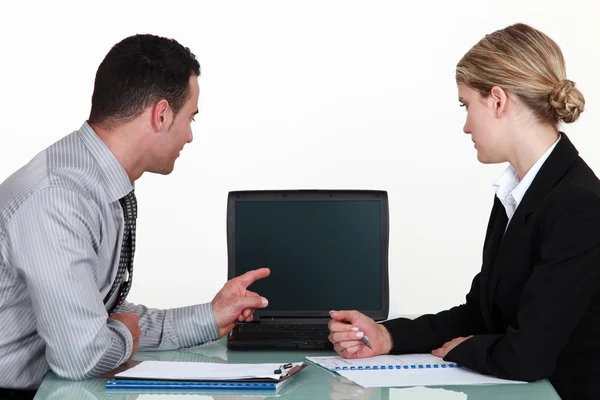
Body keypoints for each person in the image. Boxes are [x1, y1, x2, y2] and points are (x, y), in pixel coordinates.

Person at [328, 23, 600, 400]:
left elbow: (527, 356)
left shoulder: (579, 205)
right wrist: (388, 335)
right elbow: (482, 315)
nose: (466, 125)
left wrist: (462, 348)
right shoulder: (518, 194)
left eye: (467, 105)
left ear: (499, 101)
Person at [0, 34, 270, 399]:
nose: (189, 136)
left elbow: (102, 321)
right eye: (190, 118)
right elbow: (82, 356)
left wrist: (210, 316)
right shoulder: (60, 198)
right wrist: (124, 330)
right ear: (161, 115)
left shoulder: (95, 182)